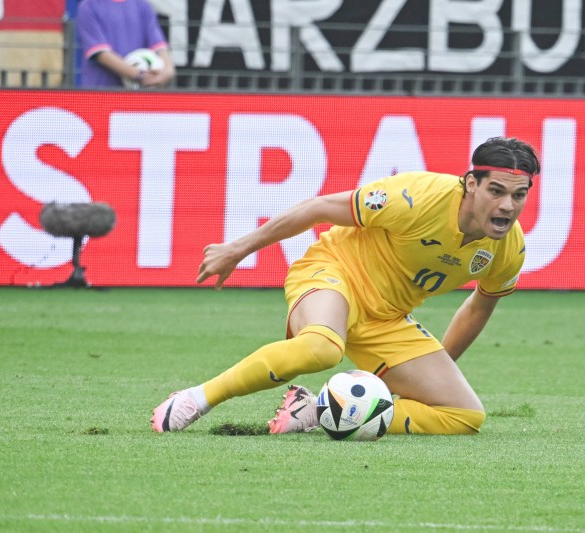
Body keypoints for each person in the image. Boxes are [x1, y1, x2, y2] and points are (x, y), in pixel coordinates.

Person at [151, 137, 540, 435]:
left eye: (519, 195)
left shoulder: (509, 249)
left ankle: (320, 410)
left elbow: (478, 307)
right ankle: (197, 398)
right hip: (335, 272)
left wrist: (434, 371)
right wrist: (237, 249)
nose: (508, 206)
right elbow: (318, 208)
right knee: (322, 348)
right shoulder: (416, 197)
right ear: (471, 183)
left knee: (464, 415)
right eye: (497, 191)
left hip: (387, 317)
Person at [76, 0, 175, 88]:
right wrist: (140, 75)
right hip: (102, 94)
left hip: (136, 95)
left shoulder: (143, 4)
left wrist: (168, 71)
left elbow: (159, 45)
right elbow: (100, 54)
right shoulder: (88, 6)